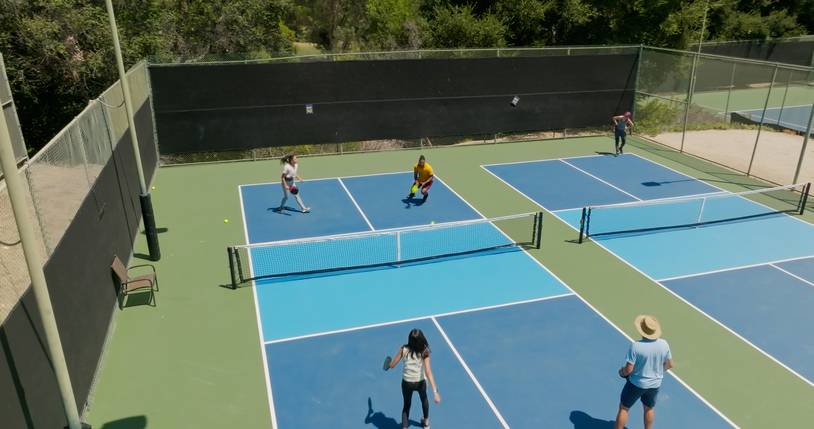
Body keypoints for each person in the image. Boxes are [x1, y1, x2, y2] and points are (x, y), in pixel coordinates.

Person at [614, 315, 673, 429]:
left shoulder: (636, 346)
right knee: (649, 408)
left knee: (624, 408)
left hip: (636, 384)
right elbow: (670, 364)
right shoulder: (664, 344)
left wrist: (621, 372)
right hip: (655, 385)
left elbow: (628, 370)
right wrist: (655, 372)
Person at [387, 328, 440, 429]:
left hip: (406, 383)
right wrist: (435, 392)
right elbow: (428, 373)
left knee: (406, 405)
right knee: (424, 399)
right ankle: (425, 421)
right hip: (420, 383)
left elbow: (392, 365)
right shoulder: (425, 352)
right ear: (421, 339)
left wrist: (389, 364)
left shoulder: (403, 349)